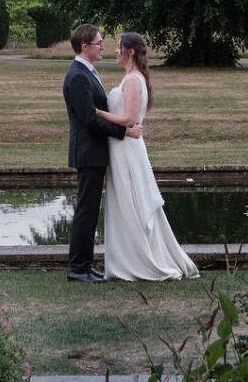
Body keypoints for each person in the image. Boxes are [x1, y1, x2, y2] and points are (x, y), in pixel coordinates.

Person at [92, 32, 199, 281]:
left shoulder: (132, 80)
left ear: (130, 51)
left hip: (126, 150)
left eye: (119, 47)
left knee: (131, 201)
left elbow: (129, 119)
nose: (115, 50)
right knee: (125, 201)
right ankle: (127, 258)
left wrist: (99, 113)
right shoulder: (131, 78)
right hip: (123, 147)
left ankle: (138, 261)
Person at [62, 24, 139, 283]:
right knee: (86, 210)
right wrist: (124, 132)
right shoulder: (78, 76)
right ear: (85, 47)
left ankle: (84, 264)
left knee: (90, 210)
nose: (103, 46)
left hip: (93, 151)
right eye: (98, 42)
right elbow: (89, 120)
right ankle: (78, 268)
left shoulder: (86, 73)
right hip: (87, 152)